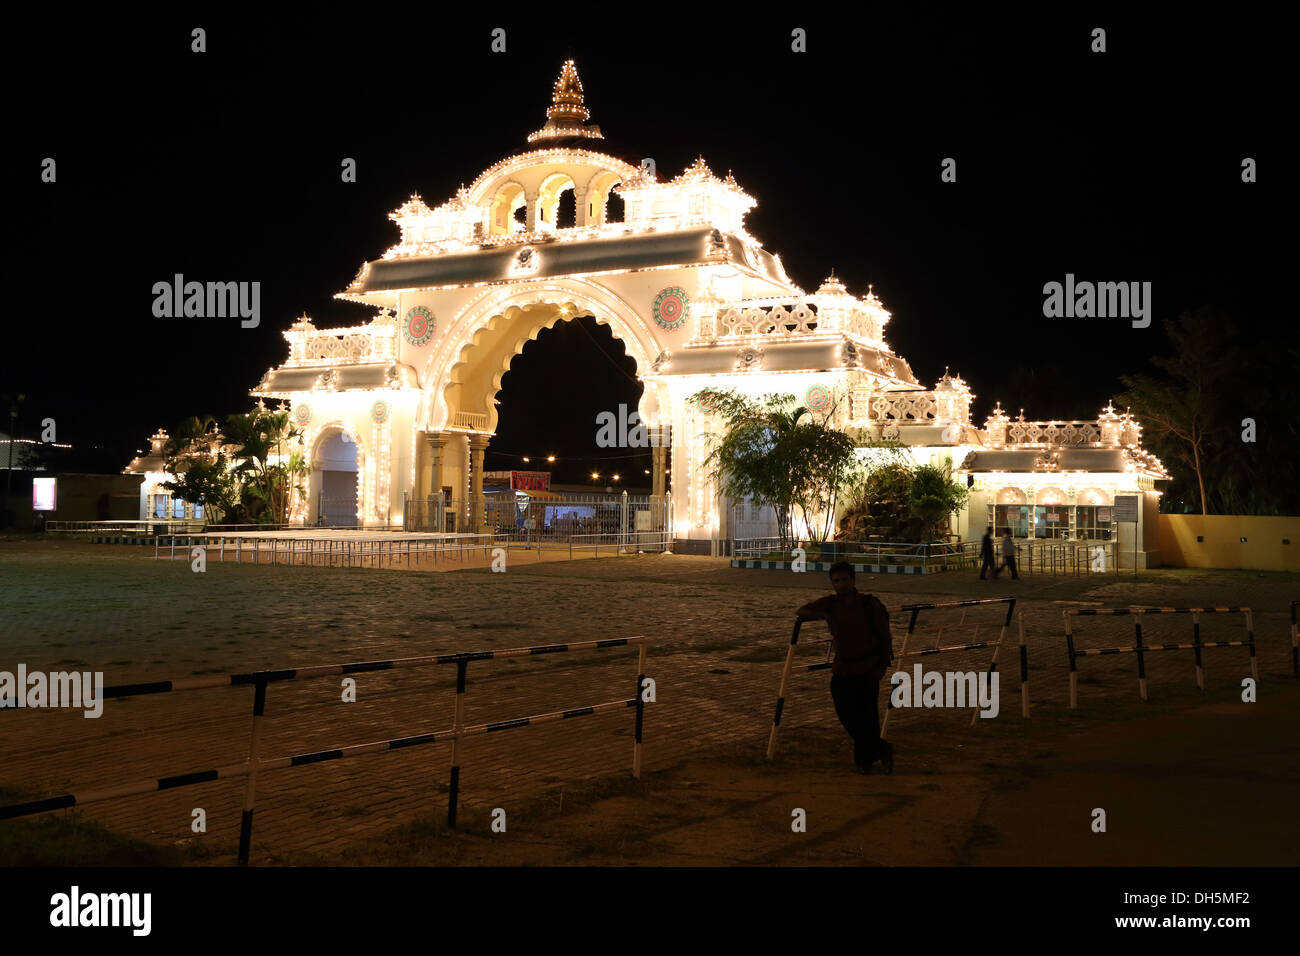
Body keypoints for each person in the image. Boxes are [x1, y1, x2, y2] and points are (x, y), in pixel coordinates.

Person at [796, 562, 895, 774]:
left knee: (867, 716)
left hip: (868, 667)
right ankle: (881, 749)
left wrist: (883, 664)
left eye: (845, 580)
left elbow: (885, 636)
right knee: (845, 713)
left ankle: (864, 761)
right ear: (831, 583)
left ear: (853, 580)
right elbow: (802, 610)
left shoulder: (870, 605)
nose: (841, 584)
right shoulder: (830, 604)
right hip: (842, 669)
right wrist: (822, 614)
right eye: (836, 581)